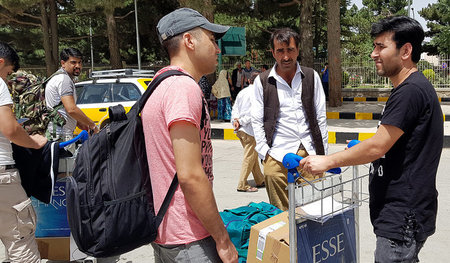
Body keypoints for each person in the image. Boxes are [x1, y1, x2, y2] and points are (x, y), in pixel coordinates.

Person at [300, 16, 442, 263]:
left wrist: (327, 161)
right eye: (374, 46)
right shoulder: (412, 87)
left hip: (402, 213)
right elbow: (390, 141)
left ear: (405, 50)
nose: (373, 54)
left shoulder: (410, 90)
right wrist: (363, 148)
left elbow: (378, 145)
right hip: (406, 211)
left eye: (381, 46)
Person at [142, 8, 237, 263]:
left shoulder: (159, 83)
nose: (217, 49)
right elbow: (191, 175)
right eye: (212, 40)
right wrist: (222, 239)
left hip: (165, 233)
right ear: (189, 41)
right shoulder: (183, 88)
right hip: (188, 239)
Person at [251, 28, 328, 211]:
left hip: (309, 151)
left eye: (290, 50)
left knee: (312, 211)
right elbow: (257, 120)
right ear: (273, 52)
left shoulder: (311, 76)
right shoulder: (262, 81)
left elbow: (321, 116)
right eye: (280, 51)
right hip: (277, 154)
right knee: (281, 215)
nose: (286, 57)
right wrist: (265, 154)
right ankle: (286, 239)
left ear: (298, 50)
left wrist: (321, 154)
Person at [0, 41, 48, 263]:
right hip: (3, 178)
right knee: (20, 240)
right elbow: (10, 129)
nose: (7, 79)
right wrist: (34, 142)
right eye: (8, 72)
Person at [45, 48, 98, 141]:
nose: (78, 66)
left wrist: (81, 124)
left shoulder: (60, 77)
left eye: (80, 62)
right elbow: (71, 109)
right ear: (63, 63)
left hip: (58, 132)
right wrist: (92, 125)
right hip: (60, 134)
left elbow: (62, 109)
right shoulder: (64, 80)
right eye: (73, 62)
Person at [231, 72, 265, 193]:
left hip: (240, 130)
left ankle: (260, 179)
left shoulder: (242, 92)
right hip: (250, 130)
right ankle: (242, 184)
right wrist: (241, 121)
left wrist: (236, 121)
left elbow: (235, 109)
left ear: (249, 81)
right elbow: (254, 114)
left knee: (252, 157)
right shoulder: (257, 94)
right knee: (249, 157)